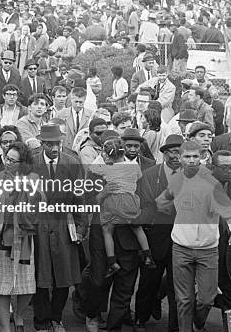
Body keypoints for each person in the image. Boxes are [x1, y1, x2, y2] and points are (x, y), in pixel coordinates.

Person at [156, 141, 231, 332]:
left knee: (206, 299)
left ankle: (198, 323)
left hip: (208, 250)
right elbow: (161, 203)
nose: (191, 160)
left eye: (195, 156)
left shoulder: (212, 183)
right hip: (181, 248)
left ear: (202, 157)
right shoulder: (177, 181)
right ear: (180, 158)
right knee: (183, 300)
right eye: (187, 157)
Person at [32, 124, 85, 332]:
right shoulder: (32, 163)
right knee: (40, 277)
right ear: (42, 143)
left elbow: (80, 199)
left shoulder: (72, 162)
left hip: (64, 225)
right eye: (50, 144)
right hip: (38, 226)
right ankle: (41, 321)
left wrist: (81, 228)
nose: (55, 148)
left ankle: (56, 317)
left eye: (57, 143)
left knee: (64, 276)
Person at [134, 134, 183, 331]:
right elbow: (147, 204)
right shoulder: (150, 175)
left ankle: (175, 325)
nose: (175, 156)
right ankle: (140, 317)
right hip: (155, 235)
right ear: (164, 154)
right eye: (171, 151)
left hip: (182, 238)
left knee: (177, 285)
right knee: (148, 280)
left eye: (179, 151)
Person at [0, 142, 39, 332]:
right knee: (1, 287)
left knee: (26, 286)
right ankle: (4, 328)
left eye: (13, 160)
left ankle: (18, 315)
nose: (7, 162)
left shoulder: (33, 179)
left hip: (24, 239)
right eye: (6, 158)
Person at [89, 136, 155, 278]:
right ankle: (147, 254)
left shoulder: (107, 169)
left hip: (112, 202)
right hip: (130, 201)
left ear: (107, 155)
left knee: (107, 230)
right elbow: (139, 176)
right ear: (123, 151)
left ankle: (112, 262)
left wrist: (102, 158)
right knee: (137, 228)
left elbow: (93, 168)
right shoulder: (134, 166)